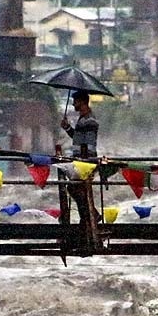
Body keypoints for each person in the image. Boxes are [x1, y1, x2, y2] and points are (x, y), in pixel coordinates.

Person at [59, 92, 100, 230]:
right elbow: (77, 137)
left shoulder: (90, 120)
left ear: (82, 102)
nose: (73, 104)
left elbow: (88, 142)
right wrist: (67, 128)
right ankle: (87, 217)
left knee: (74, 188)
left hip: (86, 160)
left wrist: (84, 160)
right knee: (77, 188)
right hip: (81, 160)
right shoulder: (82, 119)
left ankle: (91, 215)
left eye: (75, 101)